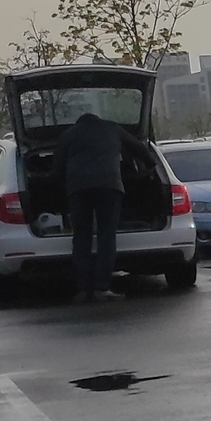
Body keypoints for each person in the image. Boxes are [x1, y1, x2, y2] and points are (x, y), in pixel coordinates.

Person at [50, 112, 158, 300]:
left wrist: (64, 189)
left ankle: (83, 289)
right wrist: (150, 165)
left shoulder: (68, 134)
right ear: (97, 119)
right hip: (109, 187)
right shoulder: (112, 128)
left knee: (81, 237)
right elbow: (138, 147)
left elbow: (56, 168)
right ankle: (102, 288)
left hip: (78, 190)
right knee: (106, 236)